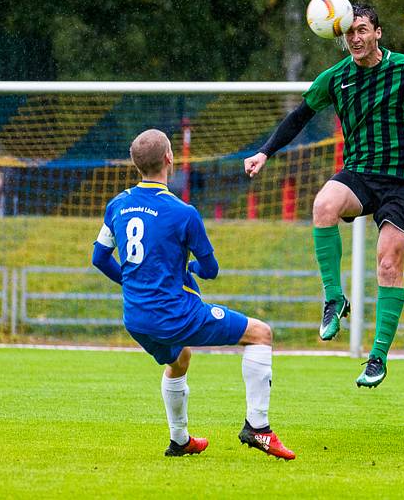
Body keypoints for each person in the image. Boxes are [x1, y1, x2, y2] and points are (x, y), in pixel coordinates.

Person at [244, 3, 404, 388]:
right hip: (359, 173)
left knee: (388, 264)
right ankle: (333, 299)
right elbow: (298, 118)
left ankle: (377, 356)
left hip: (403, 182)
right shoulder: (336, 77)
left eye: (362, 30)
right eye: (348, 33)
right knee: (323, 204)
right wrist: (265, 151)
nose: (355, 39)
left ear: (377, 33)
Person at [93, 129, 295, 460]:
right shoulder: (184, 213)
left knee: (179, 359)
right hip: (176, 314)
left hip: (136, 317)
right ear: (170, 158)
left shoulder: (117, 205)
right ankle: (258, 429)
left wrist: (132, 284)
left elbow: (99, 258)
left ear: (135, 164)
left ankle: (180, 440)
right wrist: (196, 271)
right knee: (261, 334)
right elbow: (211, 269)